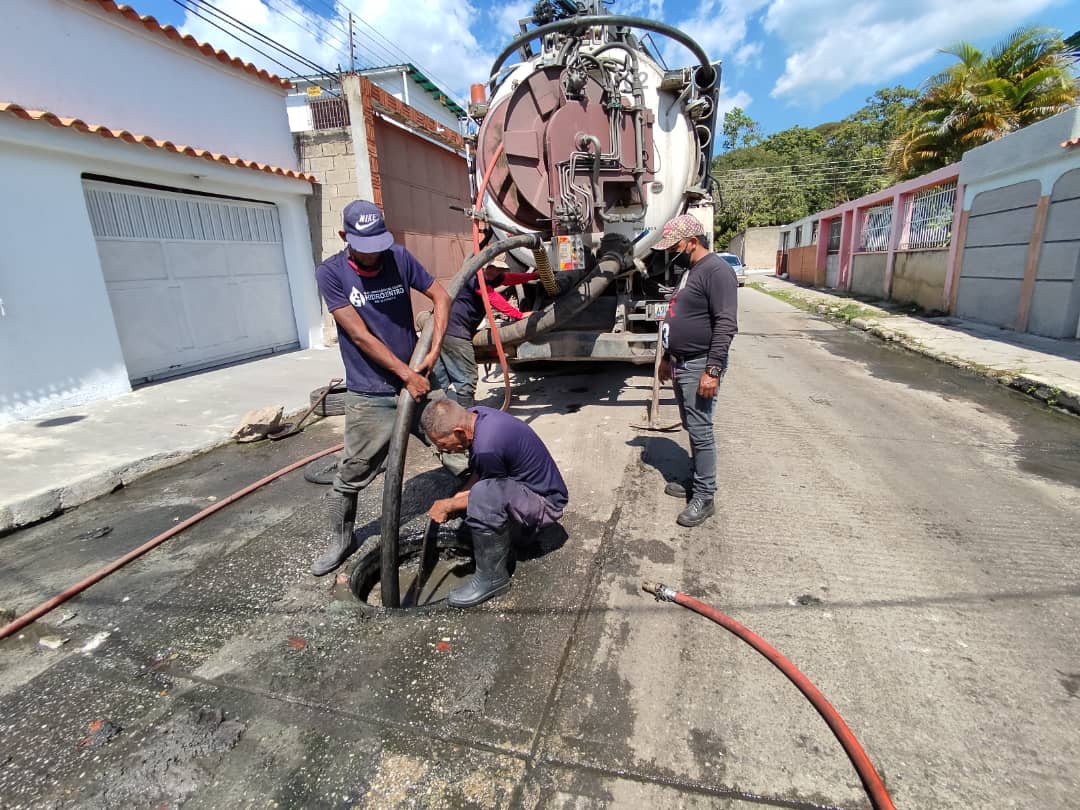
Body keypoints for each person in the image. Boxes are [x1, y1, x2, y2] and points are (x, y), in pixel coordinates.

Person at [310, 200, 452, 577]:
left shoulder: (399, 258)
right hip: (370, 392)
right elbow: (358, 335)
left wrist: (433, 351)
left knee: (459, 442)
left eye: (379, 246)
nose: (375, 256)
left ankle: (481, 512)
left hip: (420, 382)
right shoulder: (331, 273)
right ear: (345, 237)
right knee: (351, 473)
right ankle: (342, 538)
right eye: (366, 248)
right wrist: (405, 375)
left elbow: (441, 296)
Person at [421, 398, 568, 608]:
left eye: (444, 445)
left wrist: (450, 505)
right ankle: (507, 538)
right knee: (464, 496)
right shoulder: (476, 416)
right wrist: (457, 497)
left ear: (459, 432)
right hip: (522, 490)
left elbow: (489, 490)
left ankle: (493, 579)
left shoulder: (487, 446)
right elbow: (483, 473)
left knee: (481, 497)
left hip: (545, 502)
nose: (445, 451)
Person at [654, 213, 738, 528]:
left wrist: (712, 369)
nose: (672, 249)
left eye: (675, 243)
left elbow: (726, 323)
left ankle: (705, 495)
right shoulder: (692, 270)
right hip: (681, 361)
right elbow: (679, 314)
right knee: (691, 423)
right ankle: (695, 480)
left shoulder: (717, 271)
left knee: (701, 429)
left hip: (700, 362)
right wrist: (667, 357)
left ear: (692, 240)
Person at [433, 257, 537, 407]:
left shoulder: (492, 276)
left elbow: (509, 278)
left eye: (499, 269)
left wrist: (534, 276)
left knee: (440, 379)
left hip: (444, 329)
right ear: (484, 266)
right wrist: (519, 315)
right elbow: (492, 298)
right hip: (454, 332)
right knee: (467, 376)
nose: (496, 272)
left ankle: (436, 416)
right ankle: (467, 416)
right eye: (493, 268)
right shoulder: (475, 279)